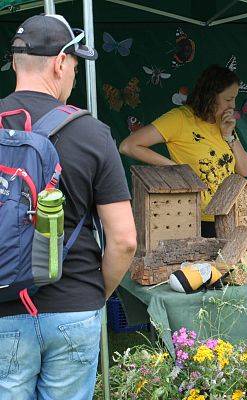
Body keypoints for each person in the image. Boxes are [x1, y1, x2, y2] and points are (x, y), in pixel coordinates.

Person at [0, 14, 137, 399]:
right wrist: (95, 294)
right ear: (61, 63)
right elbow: (124, 239)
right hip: (73, 303)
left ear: (15, 62)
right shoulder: (92, 133)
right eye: (75, 66)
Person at [119, 65, 247, 237]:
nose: (232, 105)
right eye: (228, 99)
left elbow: (245, 170)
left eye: (234, 99)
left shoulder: (224, 123)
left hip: (229, 217)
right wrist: (177, 169)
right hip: (196, 219)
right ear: (210, 96)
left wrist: (229, 136)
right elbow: (128, 146)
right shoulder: (180, 118)